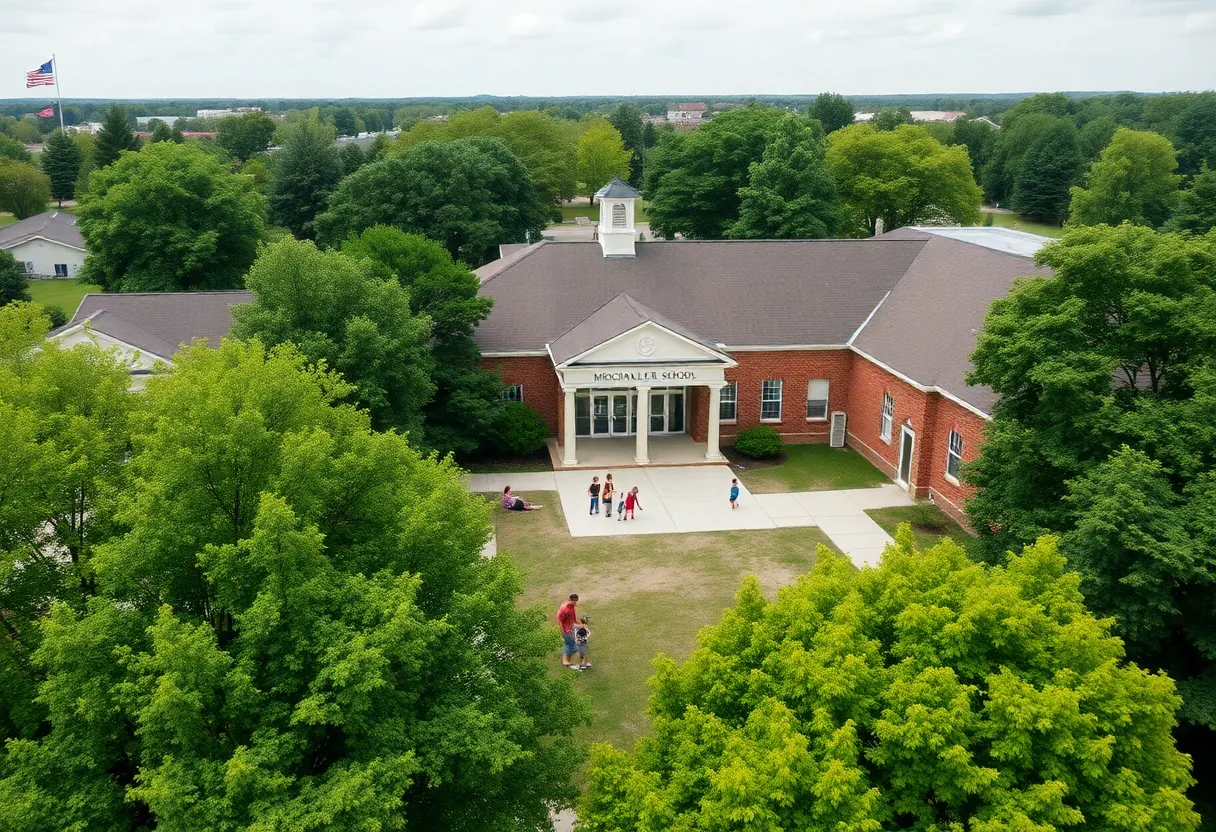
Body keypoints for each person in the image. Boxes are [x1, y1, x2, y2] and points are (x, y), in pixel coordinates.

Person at [556, 594, 580, 668]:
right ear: (569, 599)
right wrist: (562, 630)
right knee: (569, 645)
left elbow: (573, 616)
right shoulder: (564, 608)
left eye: (576, 601)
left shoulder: (572, 606)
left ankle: (569, 657)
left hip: (571, 627)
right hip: (566, 630)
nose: (575, 603)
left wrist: (577, 622)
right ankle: (565, 660)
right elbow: (559, 620)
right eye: (574, 601)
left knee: (573, 643)